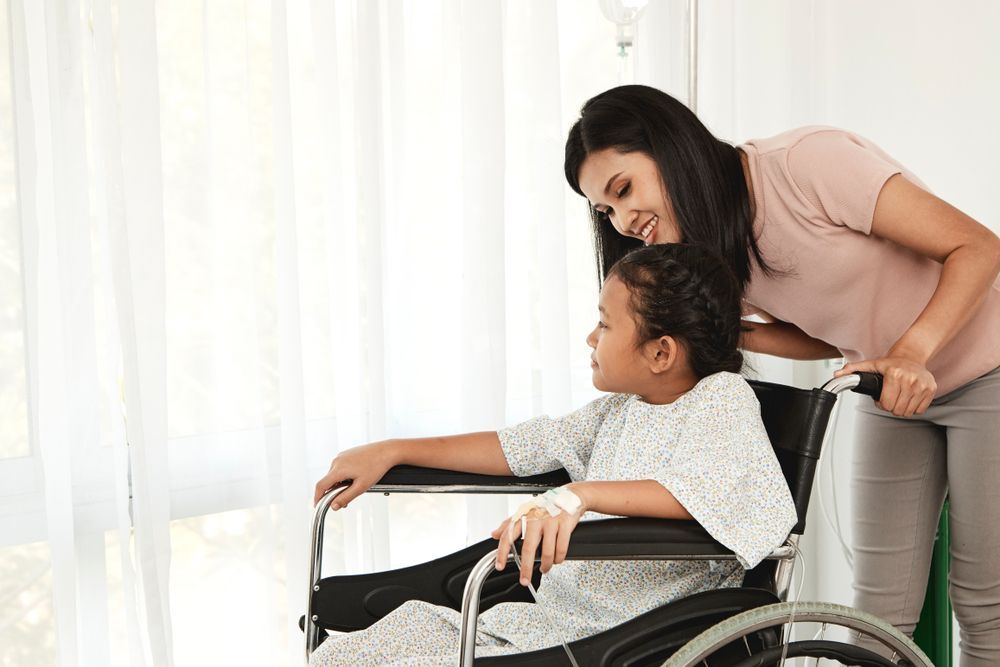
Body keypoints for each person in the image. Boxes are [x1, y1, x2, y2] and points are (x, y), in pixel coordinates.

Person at [563, 84, 1000, 666]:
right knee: (876, 608)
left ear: (670, 148)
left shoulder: (805, 165)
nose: (623, 220)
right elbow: (834, 319)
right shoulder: (716, 242)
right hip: (886, 389)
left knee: (983, 601)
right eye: (606, 211)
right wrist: (735, 332)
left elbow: (976, 246)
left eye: (623, 190)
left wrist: (914, 352)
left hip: (988, 370)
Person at [309, 244, 797, 666]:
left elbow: (712, 489)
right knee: (346, 654)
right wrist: (392, 450)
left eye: (604, 324)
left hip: (624, 637)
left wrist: (578, 496)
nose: (590, 337)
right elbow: (518, 447)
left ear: (661, 353)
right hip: (546, 621)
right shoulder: (623, 410)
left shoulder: (722, 398)